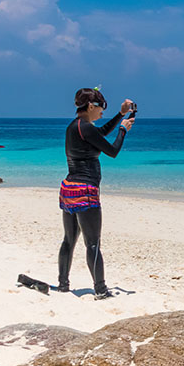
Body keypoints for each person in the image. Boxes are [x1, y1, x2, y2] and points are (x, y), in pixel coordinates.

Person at [57, 87, 135, 298]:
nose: (102, 113)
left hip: (69, 189)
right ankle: (100, 289)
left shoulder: (76, 126)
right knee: (93, 243)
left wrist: (121, 114)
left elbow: (99, 133)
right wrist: (123, 130)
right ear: (91, 106)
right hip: (86, 191)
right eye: (101, 108)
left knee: (68, 240)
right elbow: (112, 151)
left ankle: (63, 284)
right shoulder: (85, 127)